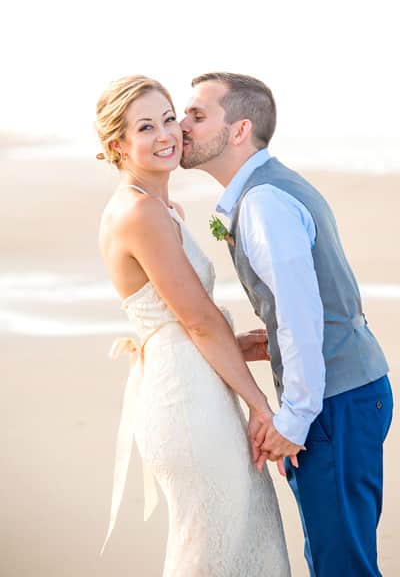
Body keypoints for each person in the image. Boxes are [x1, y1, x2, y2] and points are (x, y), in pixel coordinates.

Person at [180, 72, 393, 577]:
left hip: (334, 403)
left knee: (342, 566)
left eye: (197, 115)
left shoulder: (263, 202)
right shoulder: (268, 187)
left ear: (238, 130)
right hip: (343, 395)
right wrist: (269, 342)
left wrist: (294, 420)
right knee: (335, 558)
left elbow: (301, 317)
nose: (182, 125)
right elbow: (304, 306)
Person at [96, 75, 291, 576]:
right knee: (210, 545)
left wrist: (241, 344)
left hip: (199, 386)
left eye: (168, 118)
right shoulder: (139, 212)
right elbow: (199, 321)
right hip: (185, 401)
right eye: (145, 127)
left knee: (241, 530)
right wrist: (261, 406)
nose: (166, 134)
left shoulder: (165, 208)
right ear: (117, 145)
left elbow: (181, 322)